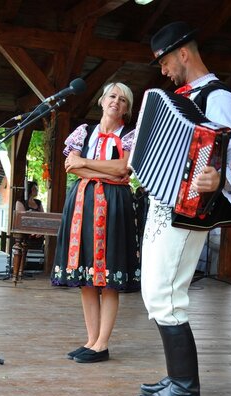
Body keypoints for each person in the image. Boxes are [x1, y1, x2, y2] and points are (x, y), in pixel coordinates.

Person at [136, 21, 231, 396]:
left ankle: (185, 388)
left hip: (187, 211)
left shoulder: (218, 97)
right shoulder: (182, 95)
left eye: (166, 62)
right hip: (163, 206)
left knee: (166, 294)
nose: (164, 72)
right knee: (154, 293)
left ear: (184, 53)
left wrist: (218, 178)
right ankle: (176, 377)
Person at [51, 82, 141, 363]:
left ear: (127, 109)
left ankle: (102, 344)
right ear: (102, 101)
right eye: (112, 96)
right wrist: (100, 169)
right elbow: (70, 165)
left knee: (109, 277)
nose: (117, 101)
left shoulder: (129, 135)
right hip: (83, 202)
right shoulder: (84, 132)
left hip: (114, 205)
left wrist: (85, 164)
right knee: (87, 278)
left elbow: (122, 168)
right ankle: (91, 341)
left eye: (123, 100)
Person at [15, 180, 45, 250]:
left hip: (38, 234)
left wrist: (40, 230)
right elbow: (21, 219)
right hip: (25, 235)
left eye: (37, 188)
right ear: (29, 189)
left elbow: (43, 217)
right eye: (35, 188)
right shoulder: (20, 202)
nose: (37, 190)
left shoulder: (38, 202)